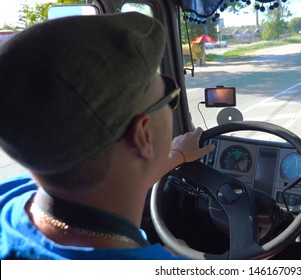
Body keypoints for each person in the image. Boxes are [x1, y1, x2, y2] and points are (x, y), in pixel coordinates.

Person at [0, 12, 215, 259]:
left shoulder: (14, 192)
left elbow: (117, 180)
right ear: (143, 134)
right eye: (169, 95)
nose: (171, 101)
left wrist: (177, 155)